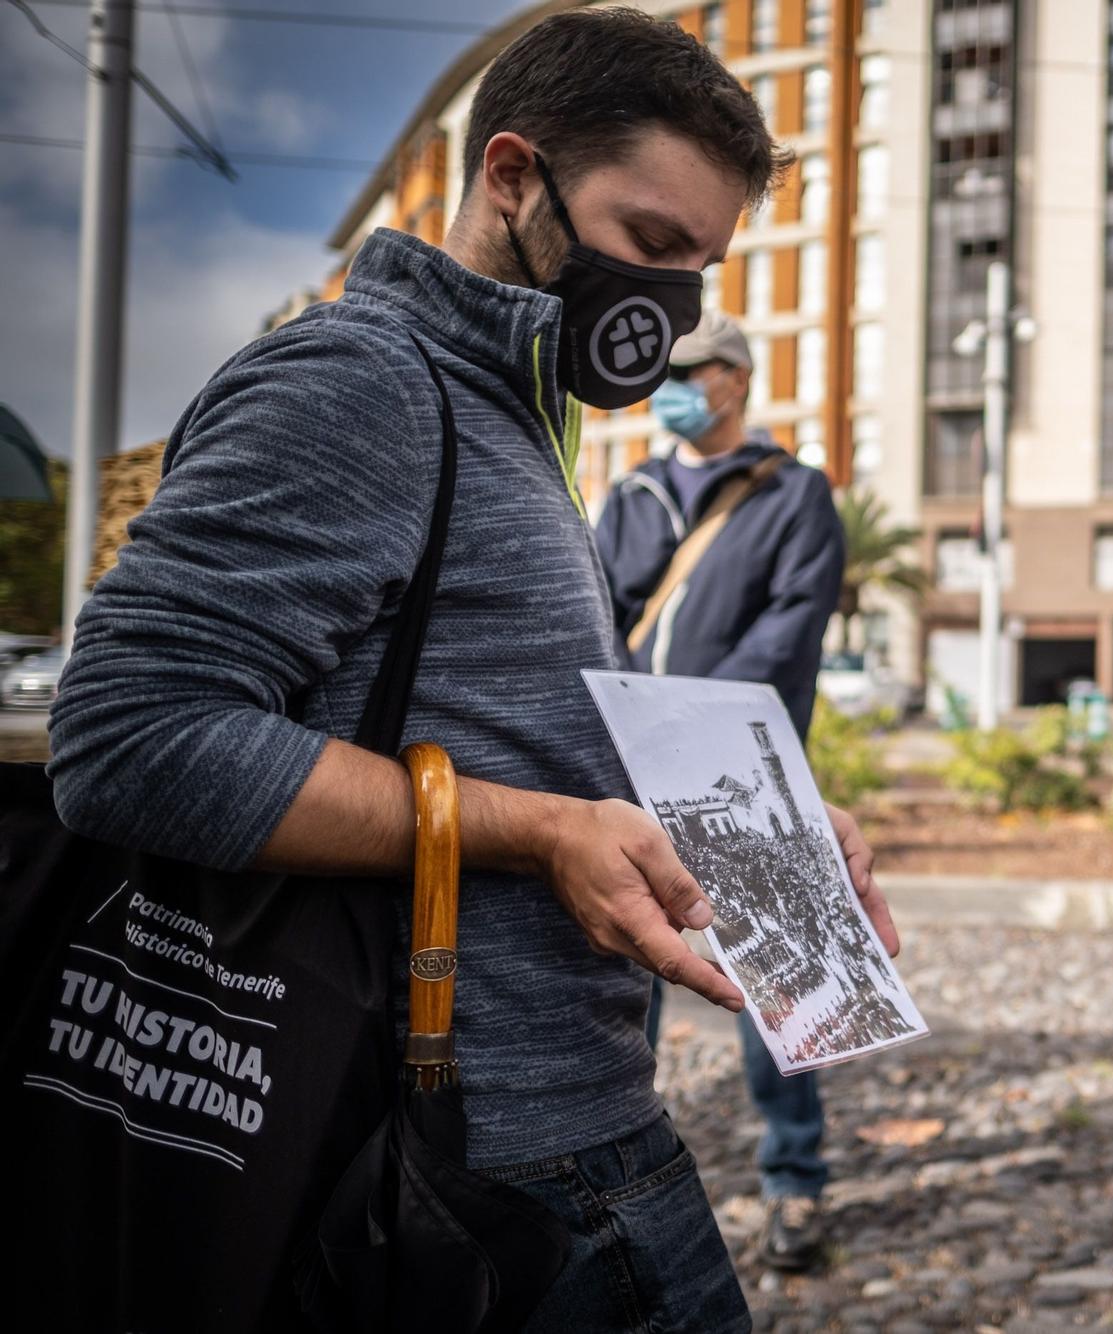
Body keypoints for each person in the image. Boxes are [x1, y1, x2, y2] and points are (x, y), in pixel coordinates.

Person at [46, 11, 897, 1331]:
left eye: (704, 266)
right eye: (651, 242)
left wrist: (749, 834)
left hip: (550, 1119)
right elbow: (125, 736)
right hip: (467, 1145)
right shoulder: (360, 383)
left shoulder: (507, 409)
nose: (673, 308)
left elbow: (490, 717)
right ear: (510, 176)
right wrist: (538, 831)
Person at [595, 310, 845, 1273]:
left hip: (746, 777)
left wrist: (687, 720)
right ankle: (618, 1182)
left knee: (785, 989)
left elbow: (790, 630)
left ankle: (797, 1181)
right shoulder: (634, 492)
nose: (671, 385)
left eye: (690, 369)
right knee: (626, 981)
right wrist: (627, 719)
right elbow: (599, 612)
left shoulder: (795, 495)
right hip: (630, 772)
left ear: (736, 378)